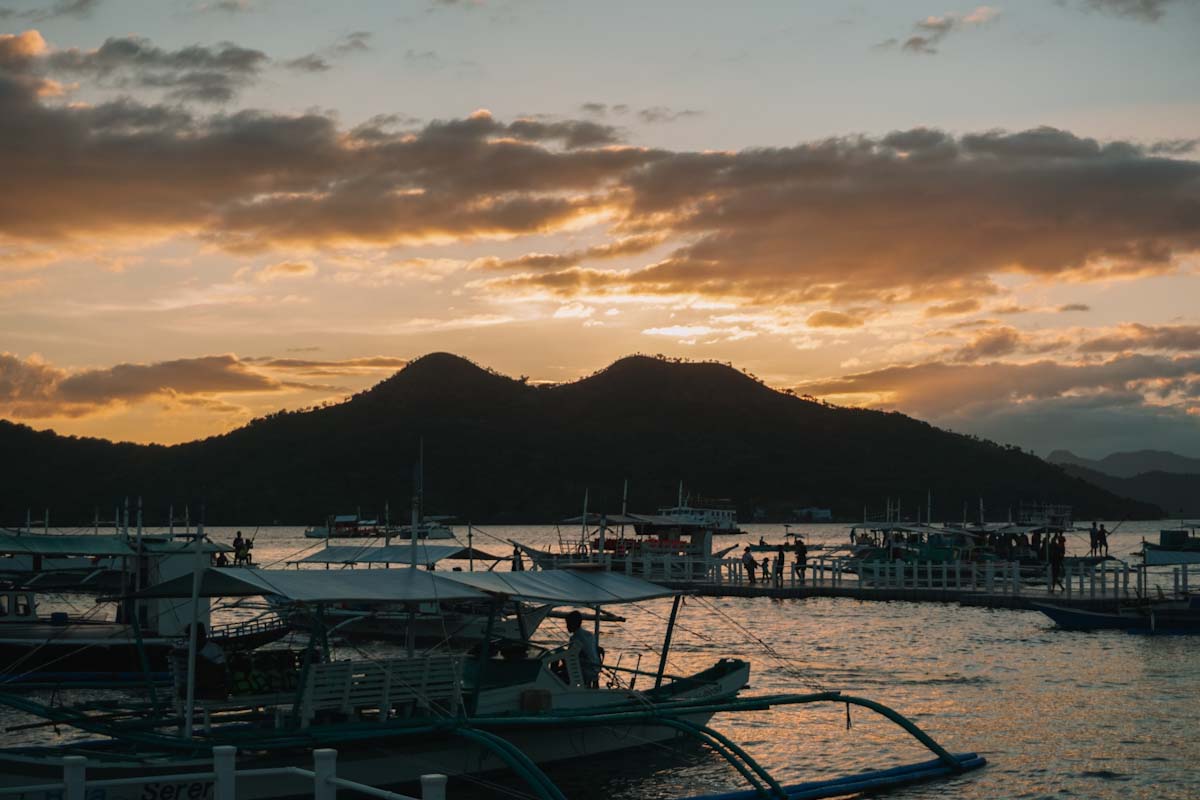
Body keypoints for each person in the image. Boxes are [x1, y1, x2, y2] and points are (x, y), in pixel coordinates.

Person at [564, 610, 601, 688]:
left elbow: (570, 656)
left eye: (568, 624)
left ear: (574, 624)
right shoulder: (590, 635)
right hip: (595, 669)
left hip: (585, 670)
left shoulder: (575, 638)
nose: (566, 627)